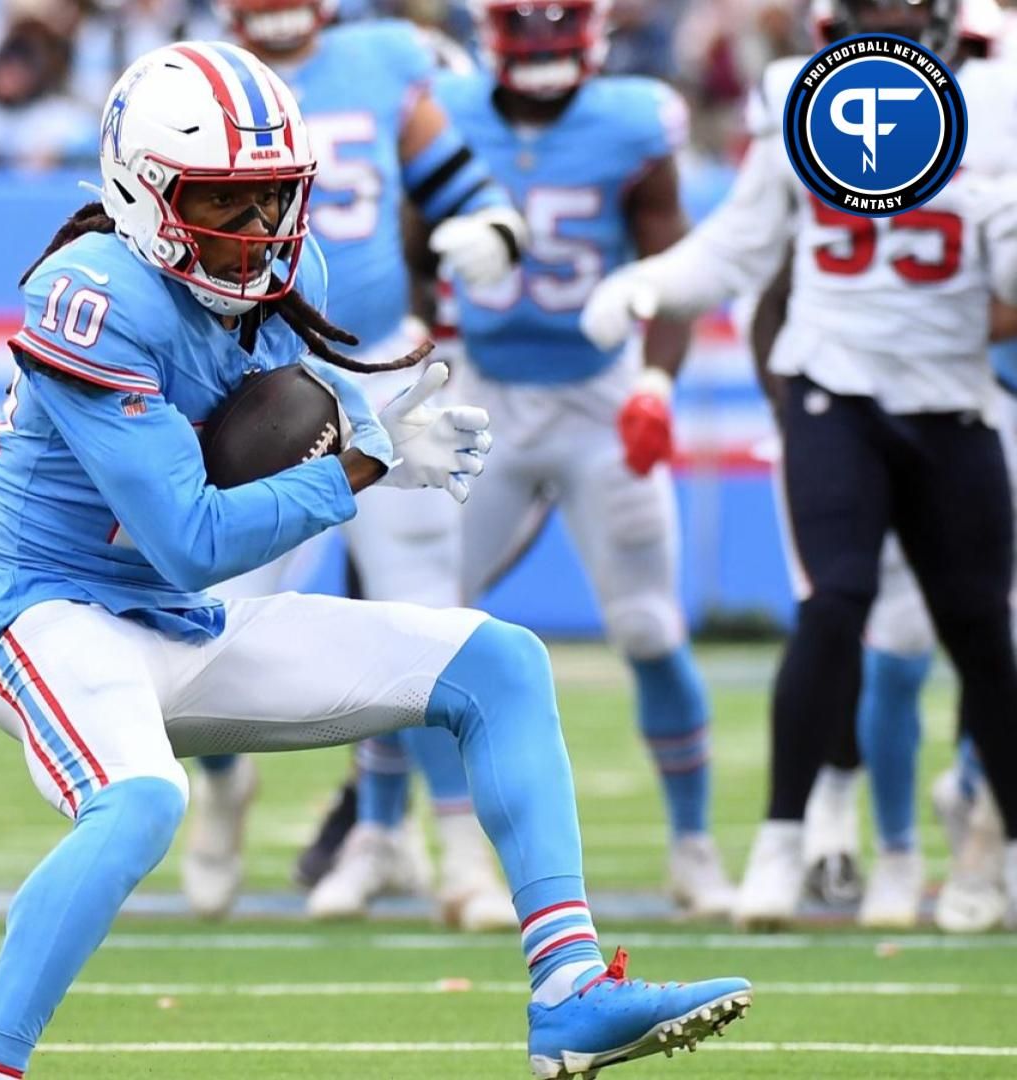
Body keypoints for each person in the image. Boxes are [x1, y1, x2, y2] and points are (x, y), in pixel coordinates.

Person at [0, 40, 750, 1080]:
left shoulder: (291, 277)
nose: (257, 235)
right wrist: (361, 466)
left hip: (175, 629)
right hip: (45, 616)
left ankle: (569, 991)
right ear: (144, 193)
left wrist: (380, 429)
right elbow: (191, 540)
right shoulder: (92, 293)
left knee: (499, 662)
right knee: (142, 801)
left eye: (274, 200)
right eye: (223, 204)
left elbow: (308, 413)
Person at [583, 0, 1017, 930]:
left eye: (899, 6)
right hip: (833, 387)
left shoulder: (999, 103)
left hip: (954, 395)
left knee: (982, 632)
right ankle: (783, 840)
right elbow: (739, 249)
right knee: (836, 601)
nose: (884, 22)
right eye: (866, 8)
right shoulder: (802, 98)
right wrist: (651, 283)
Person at [182, 0, 533, 929]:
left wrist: (491, 231)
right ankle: (222, 783)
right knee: (204, 623)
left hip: (384, 369)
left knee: (425, 623)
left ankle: (462, 856)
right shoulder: (191, 76)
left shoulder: (383, 58)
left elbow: (466, 186)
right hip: (253, 386)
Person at [430, 0, 736, 918]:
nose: (535, 44)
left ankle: (693, 846)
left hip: (598, 398)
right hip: (482, 387)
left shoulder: (633, 122)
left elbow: (671, 273)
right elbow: (414, 253)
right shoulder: (445, 111)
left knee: (647, 628)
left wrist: (654, 385)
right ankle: (403, 842)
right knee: (417, 619)